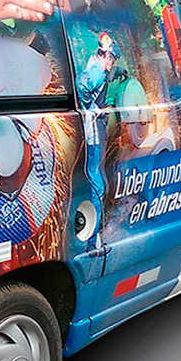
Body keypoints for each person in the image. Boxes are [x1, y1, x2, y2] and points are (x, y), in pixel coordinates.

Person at [75, 32, 121, 248]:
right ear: (108, 56)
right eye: (113, 60)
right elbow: (81, 86)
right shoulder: (97, 73)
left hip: (92, 132)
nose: (113, 65)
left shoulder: (95, 68)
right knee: (97, 184)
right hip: (92, 134)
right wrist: (92, 109)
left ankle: (93, 236)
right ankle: (93, 240)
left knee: (97, 181)